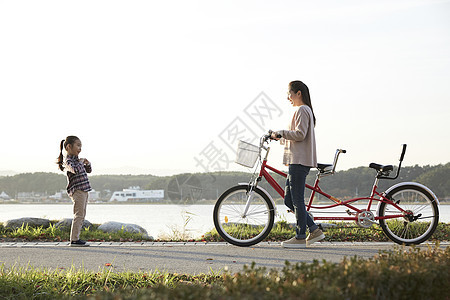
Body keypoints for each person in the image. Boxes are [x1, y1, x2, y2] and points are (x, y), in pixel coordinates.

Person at [272, 80, 325, 248]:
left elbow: (300, 134)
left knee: (297, 200)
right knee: (289, 200)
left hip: (299, 161)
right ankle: (314, 229)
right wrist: (280, 136)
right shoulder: (302, 110)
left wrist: (281, 133)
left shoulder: (302, 109)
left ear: (298, 93)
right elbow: (296, 136)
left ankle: (301, 236)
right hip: (296, 160)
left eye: (289, 93)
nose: (288, 97)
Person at [56, 136, 92, 247]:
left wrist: (87, 164)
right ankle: (74, 239)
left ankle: (76, 238)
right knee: (79, 215)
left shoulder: (77, 160)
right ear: (68, 147)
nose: (80, 148)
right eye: (78, 145)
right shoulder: (68, 161)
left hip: (84, 190)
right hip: (77, 191)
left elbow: (88, 170)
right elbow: (75, 170)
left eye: (81, 146)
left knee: (82, 214)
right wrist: (81, 163)